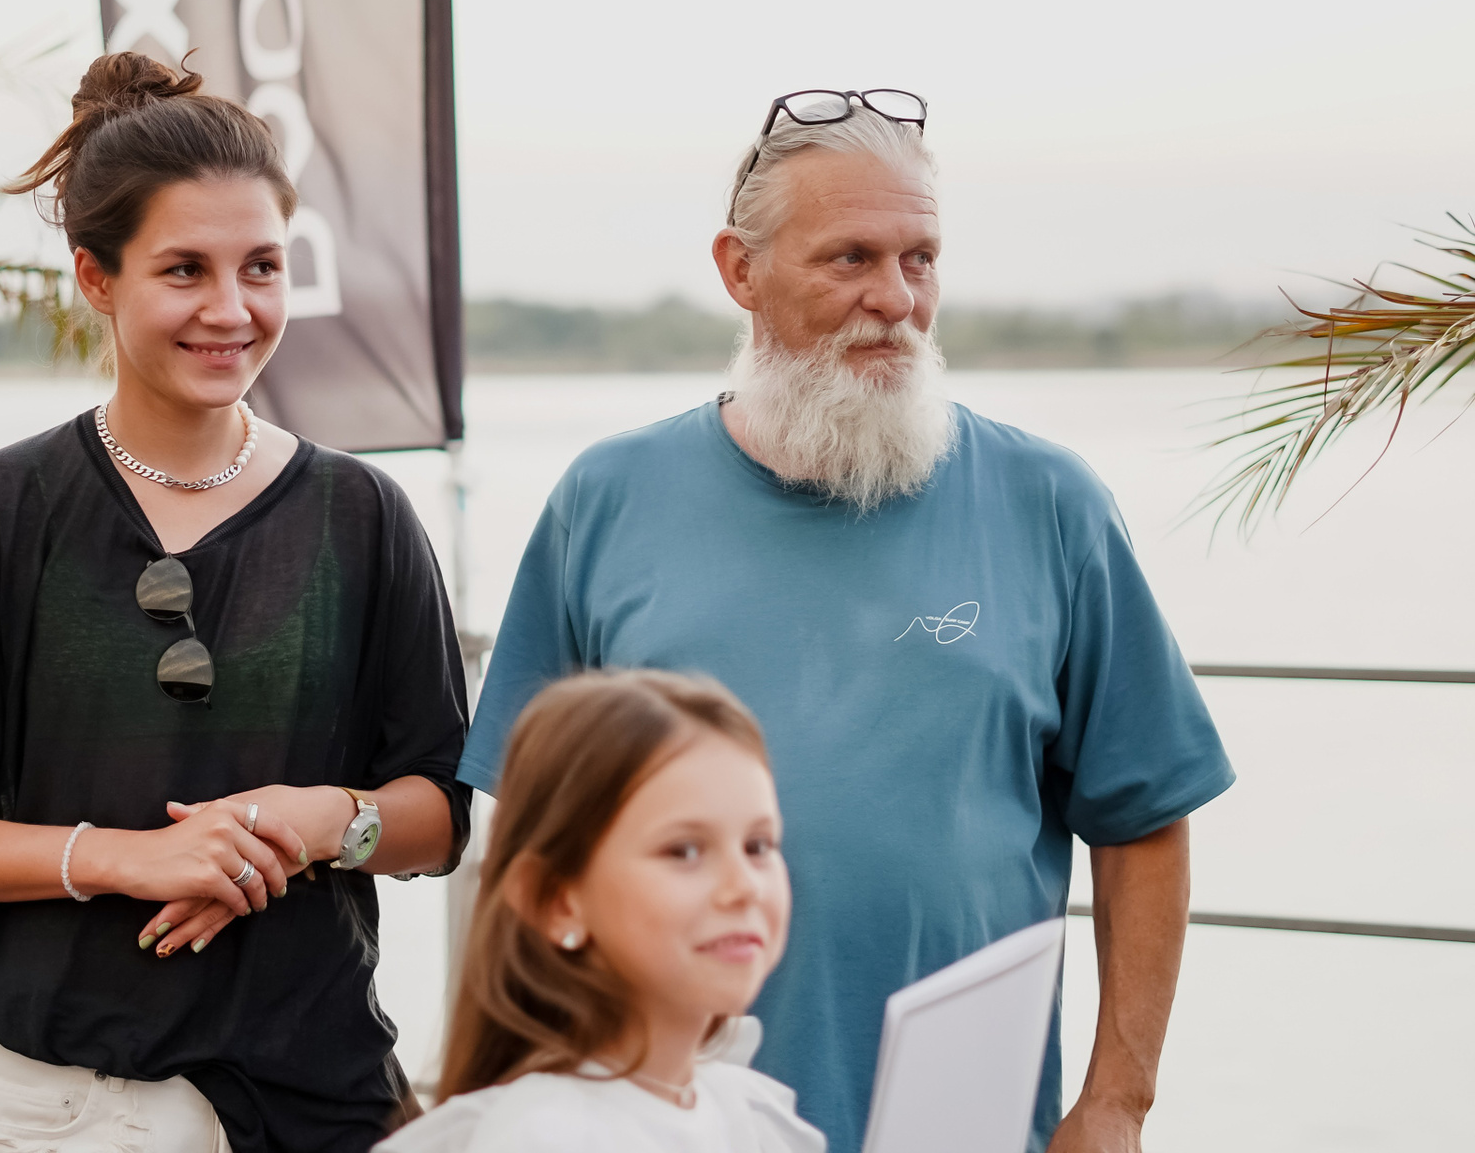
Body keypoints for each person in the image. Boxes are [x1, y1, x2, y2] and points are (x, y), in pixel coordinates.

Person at [457, 91, 1235, 1153]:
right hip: (666, 1123)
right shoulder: (606, 498)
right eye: (851, 259)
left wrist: (1116, 1102)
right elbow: (530, 846)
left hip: (965, 1128)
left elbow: (1144, 815)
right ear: (740, 270)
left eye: (922, 259)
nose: (896, 298)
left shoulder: (1052, 502)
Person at [0, 52, 471, 1153]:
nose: (232, 309)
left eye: (262, 267)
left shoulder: (364, 513)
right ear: (96, 277)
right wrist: (120, 857)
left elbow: (439, 815)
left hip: (320, 1100)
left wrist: (317, 822)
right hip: (48, 1108)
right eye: (185, 270)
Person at [381, 670, 824, 1153]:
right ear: (557, 900)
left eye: (758, 845)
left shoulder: (754, 1114)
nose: (744, 887)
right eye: (684, 851)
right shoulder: (543, 1136)